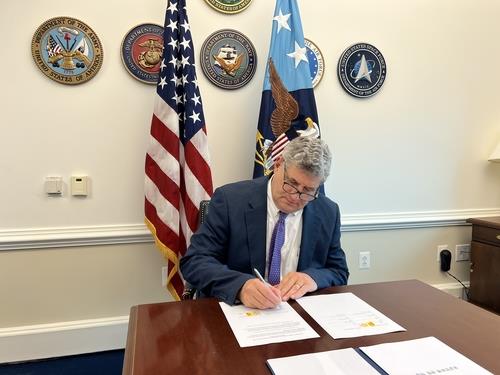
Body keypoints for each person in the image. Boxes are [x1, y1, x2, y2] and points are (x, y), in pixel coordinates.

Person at [180, 137, 348, 309]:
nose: (294, 196)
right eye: (291, 183)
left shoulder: (328, 211)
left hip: (296, 313)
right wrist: (241, 286)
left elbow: (339, 271)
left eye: (308, 191)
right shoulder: (230, 200)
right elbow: (195, 261)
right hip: (238, 310)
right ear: (277, 164)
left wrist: (312, 278)